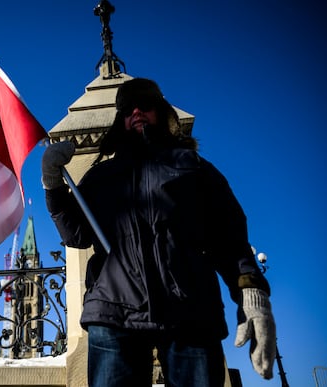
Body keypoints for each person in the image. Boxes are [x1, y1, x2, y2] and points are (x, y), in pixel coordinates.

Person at [41, 78, 276, 387]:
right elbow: (76, 233)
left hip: (190, 310)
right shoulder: (101, 175)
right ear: (120, 118)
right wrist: (53, 184)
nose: (137, 111)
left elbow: (229, 234)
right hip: (114, 312)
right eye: (128, 108)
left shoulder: (193, 167)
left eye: (146, 104)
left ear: (162, 113)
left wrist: (251, 291)